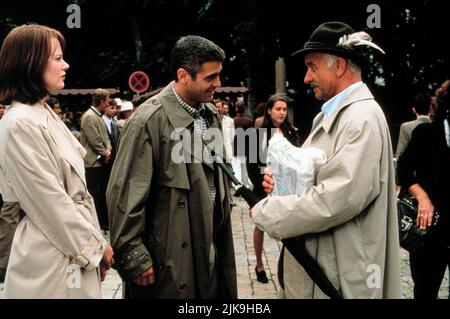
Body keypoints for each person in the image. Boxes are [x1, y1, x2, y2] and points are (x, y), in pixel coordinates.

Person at [251, 21, 401, 298]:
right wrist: (282, 184)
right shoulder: (335, 115)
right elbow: (315, 175)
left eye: (312, 66)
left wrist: (270, 211)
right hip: (325, 269)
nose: (307, 78)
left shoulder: (360, 118)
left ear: (340, 66)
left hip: (337, 277)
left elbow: (337, 199)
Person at [106, 35, 237, 299]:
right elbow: (124, 195)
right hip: (168, 264)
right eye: (210, 77)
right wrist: (135, 258)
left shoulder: (211, 116)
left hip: (209, 255)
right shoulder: (146, 121)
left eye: (219, 75)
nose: (218, 84)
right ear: (183, 75)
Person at [0, 24, 113, 298]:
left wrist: (93, 245)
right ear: (31, 62)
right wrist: (96, 247)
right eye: (57, 58)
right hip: (50, 251)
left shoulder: (42, 112)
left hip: (67, 245)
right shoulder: (19, 123)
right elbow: (49, 200)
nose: (66, 65)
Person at [397, 79, 450, 299]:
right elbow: (403, 170)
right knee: (425, 290)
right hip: (430, 226)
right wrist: (423, 197)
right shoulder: (426, 132)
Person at [247, 94, 301, 284]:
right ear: (269, 110)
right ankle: (259, 264)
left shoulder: (291, 133)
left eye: (284, 109)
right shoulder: (257, 134)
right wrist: (260, 187)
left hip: (287, 188)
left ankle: (288, 267)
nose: (282, 113)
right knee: (260, 225)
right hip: (264, 185)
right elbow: (252, 165)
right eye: (278, 109)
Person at [80, 88, 112, 231]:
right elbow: (94, 139)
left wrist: (108, 150)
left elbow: (105, 137)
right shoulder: (89, 116)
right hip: (92, 163)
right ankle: (96, 223)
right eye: (107, 101)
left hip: (100, 161)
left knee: (101, 194)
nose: (108, 104)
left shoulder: (96, 116)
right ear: (101, 101)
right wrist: (105, 152)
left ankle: (102, 222)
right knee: (95, 195)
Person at [396, 93, 431, 159]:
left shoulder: (406, 127)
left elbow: (400, 154)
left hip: (413, 168)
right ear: (430, 108)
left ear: (414, 110)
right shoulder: (437, 127)